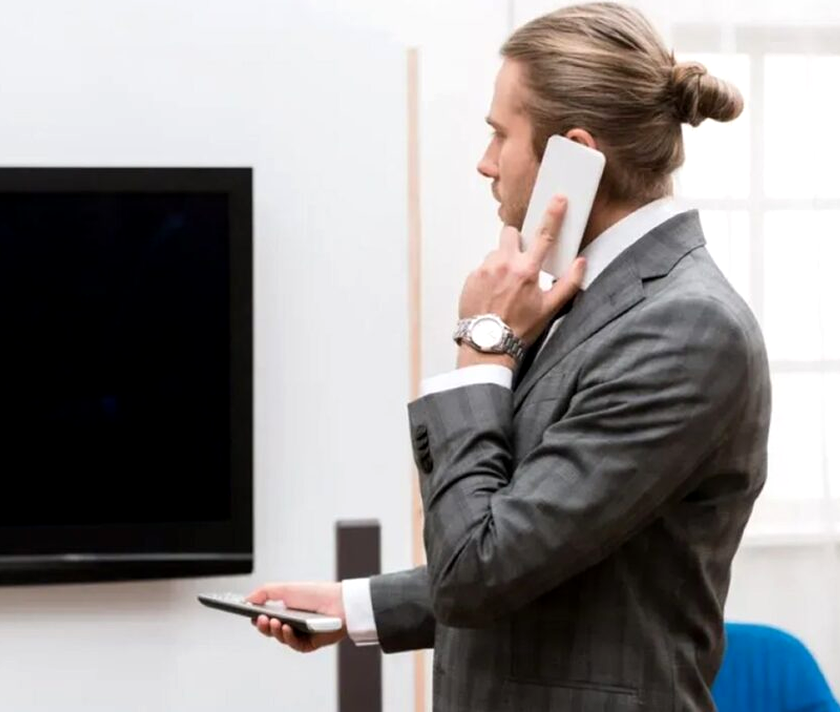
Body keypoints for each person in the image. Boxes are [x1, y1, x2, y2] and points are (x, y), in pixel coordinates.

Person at [247, 3, 771, 710]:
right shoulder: (593, 300)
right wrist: (358, 606)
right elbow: (541, 547)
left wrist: (483, 343)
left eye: (500, 134)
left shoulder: (686, 327)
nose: (485, 161)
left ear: (574, 154)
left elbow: (479, 569)